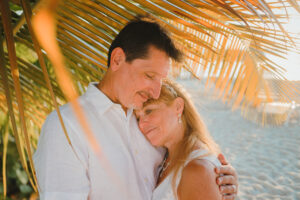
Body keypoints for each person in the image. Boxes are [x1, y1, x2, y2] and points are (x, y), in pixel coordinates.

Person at [33, 17, 238, 200]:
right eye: (149, 76)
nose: (156, 92)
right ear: (117, 59)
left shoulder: (146, 121)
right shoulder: (66, 126)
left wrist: (219, 181)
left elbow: (185, 169)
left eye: (161, 80)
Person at [136, 79, 237, 200]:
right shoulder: (165, 157)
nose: (141, 124)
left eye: (149, 111)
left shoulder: (197, 170)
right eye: (137, 118)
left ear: (178, 107)